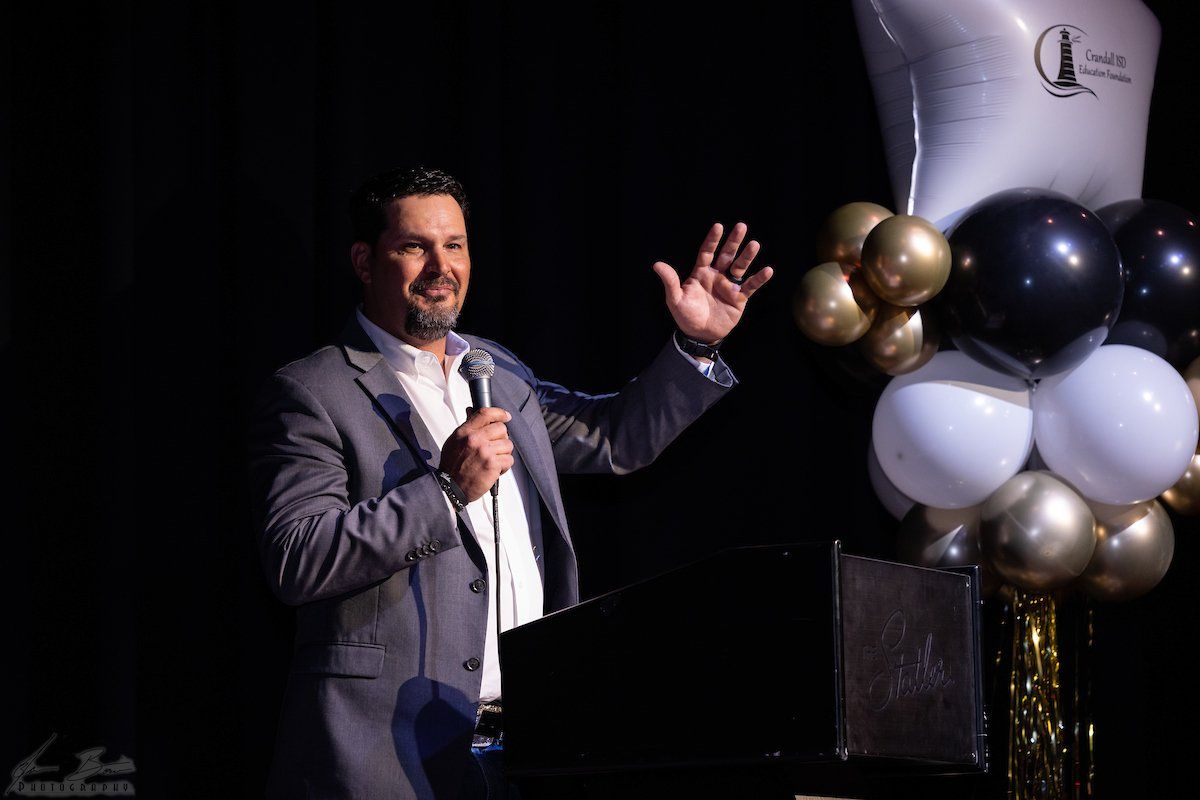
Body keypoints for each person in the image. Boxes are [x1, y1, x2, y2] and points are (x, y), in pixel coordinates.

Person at [249, 166, 773, 799]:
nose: (441, 266)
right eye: (414, 246)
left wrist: (693, 344)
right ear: (365, 260)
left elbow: (613, 440)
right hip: (385, 752)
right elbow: (299, 560)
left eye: (455, 245)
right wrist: (444, 490)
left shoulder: (495, 372)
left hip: (524, 746)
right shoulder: (315, 390)